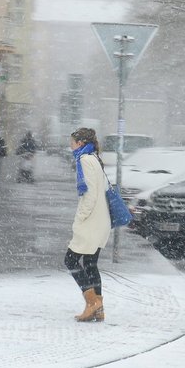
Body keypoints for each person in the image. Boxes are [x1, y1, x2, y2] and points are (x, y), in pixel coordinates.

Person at [64, 127, 112, 322]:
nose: (70, 145)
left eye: (72, 142)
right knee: (91, 264)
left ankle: (93, 303)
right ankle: (98, 309)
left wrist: (80, 218)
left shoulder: (84, 160)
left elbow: (89, 195)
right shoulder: (94, 158)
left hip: (90, 221)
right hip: (101, 220)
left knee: (71, 260)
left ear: (80, 143)